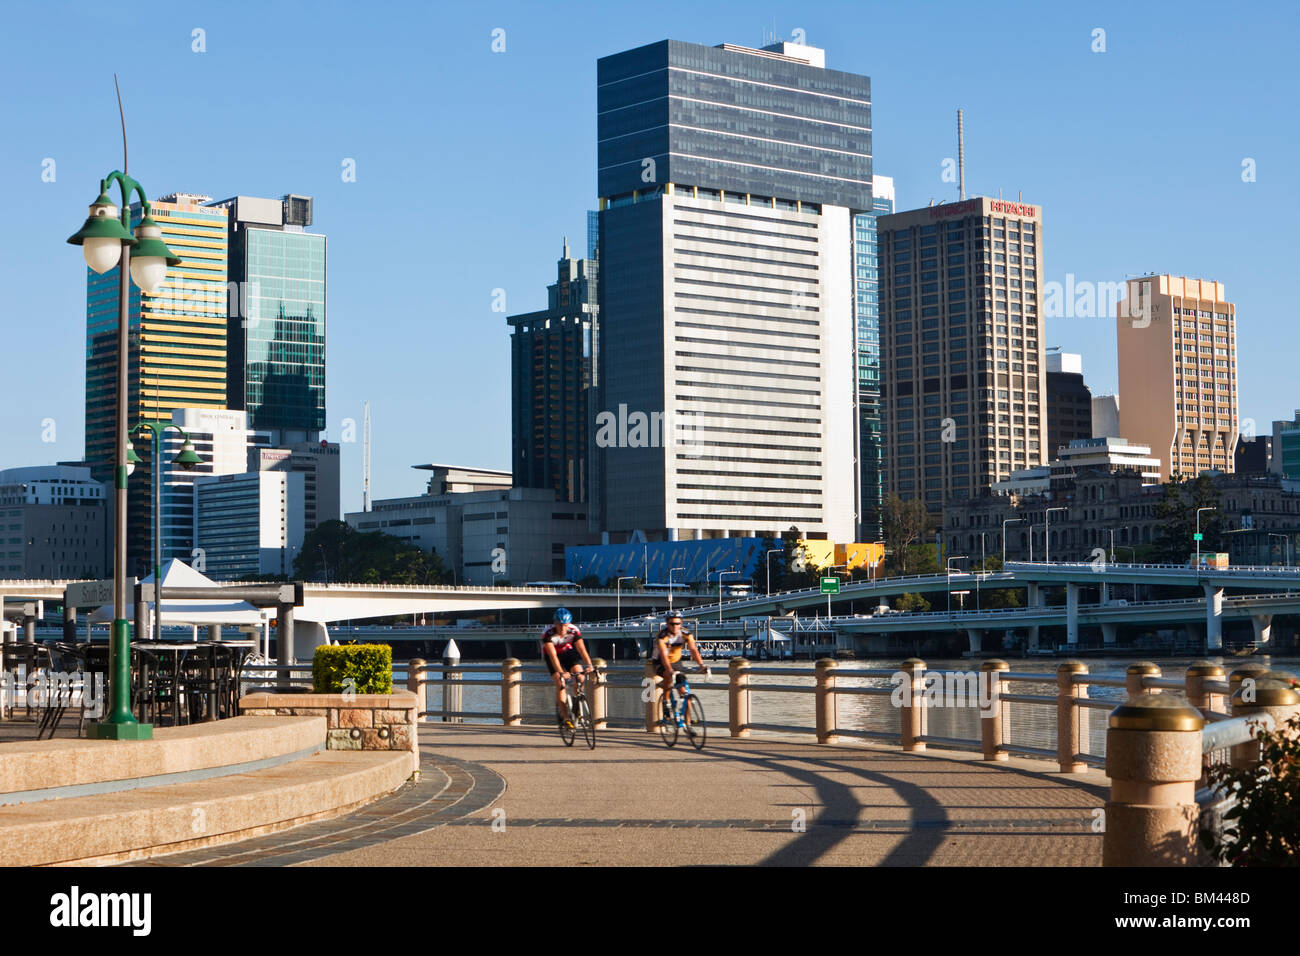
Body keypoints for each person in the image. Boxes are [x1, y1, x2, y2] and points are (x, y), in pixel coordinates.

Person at [541, 607, 594, 726]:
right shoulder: (548, 633)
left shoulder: (574, 631)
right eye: (560, 625)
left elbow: (582, 650)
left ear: (569, 623)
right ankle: (565, 718)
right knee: (560, 684)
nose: (563, 629)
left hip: (567, 652)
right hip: (552, 655)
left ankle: (576, 704)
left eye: (565, 625)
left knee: (580, 676)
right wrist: (561, 673)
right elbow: (553, 656)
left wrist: (589, 665)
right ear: (555, 623)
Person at [652, 612, 709, 716]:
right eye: (672, 624)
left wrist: (702, 665)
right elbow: (664, 656)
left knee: (685, 694)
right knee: (668, 675)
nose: (675, 626)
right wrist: (669, 670)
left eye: (677, 624)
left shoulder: (685, 633)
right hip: (660, 662)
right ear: (667, 624)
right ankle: (666, 701)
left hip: (676, 662)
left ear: (681, 623)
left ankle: (687, 726)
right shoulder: (662, 636)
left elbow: (693, 650)